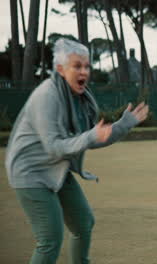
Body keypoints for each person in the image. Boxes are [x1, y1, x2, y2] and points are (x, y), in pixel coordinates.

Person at [5, 38, 149, 263]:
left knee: (83, 223)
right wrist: (90, 136)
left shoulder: (79, 98)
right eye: (77, 66)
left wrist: (123, 125)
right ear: (60, 69)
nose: (84, 71)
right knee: (50, 239)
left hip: (57, 168)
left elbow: (89, 139)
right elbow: (55, 147)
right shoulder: (47, 96)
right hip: (29, 172)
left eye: (87, 66)